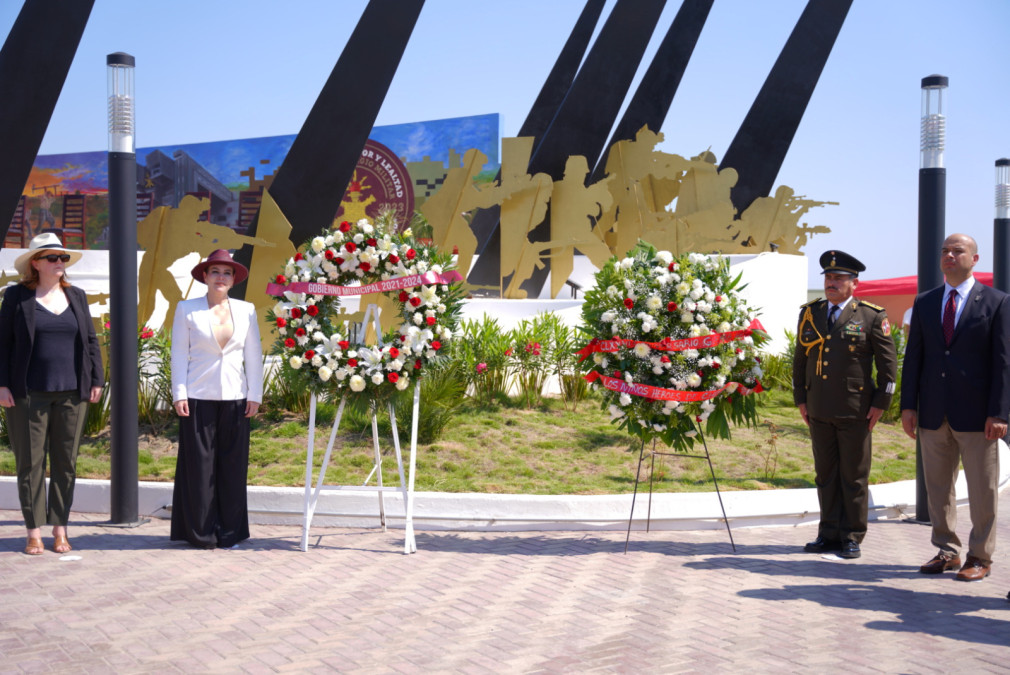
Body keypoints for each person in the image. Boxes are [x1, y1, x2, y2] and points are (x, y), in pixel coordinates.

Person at [901, 233, 1010, 582]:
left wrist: (1000, 412)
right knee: (937, 489)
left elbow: (1004, 362)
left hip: (978, 416)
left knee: (982, 490)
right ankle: (947, 550)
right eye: (945, 251)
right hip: (933, 413)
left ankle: (980, 556)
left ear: (974, 259)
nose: (949, 255)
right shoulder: (926, 302)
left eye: (957, 251)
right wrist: (908, 406)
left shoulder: (997, 302)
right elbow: (914, 357)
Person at [0, 233, 103, 555]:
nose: (60, 262)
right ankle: (33, 531)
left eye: (63, 258)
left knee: (66, 463)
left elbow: (90, 340)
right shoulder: (17, 296)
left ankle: (60, 529)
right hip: (27, 394)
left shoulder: (77, 296)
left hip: (72, 393)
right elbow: (3, 343)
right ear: (36, 263)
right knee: (30, 464)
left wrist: (97, 379)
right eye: (52, 258)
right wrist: (2, 384)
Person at [792, 250, 897, 559]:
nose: (831, 283)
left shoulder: (871, 316)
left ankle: (851, 535)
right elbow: (800, 359)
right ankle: (828, 533)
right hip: (818, 407)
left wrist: (881, 403)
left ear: (854, 283)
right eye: (828, 277)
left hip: (856, 409)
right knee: (825, 476)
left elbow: (888, 366)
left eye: (838, 278)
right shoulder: (810, 313)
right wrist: (801, 398)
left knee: (853, 477)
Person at [170, 249, 263, 549]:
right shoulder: (187, 309)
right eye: (215, 272)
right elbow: (178, 353)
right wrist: (179, 393)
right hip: (197, 397)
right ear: (205, 276)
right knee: (199, 469)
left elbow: (253, 354)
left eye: (226, 273)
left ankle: (230, 532)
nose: (220, 277)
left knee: (233, 468)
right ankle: (200, 533)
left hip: (237, 398)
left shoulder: (246, 310)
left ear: (233, 279)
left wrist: (255, 394)